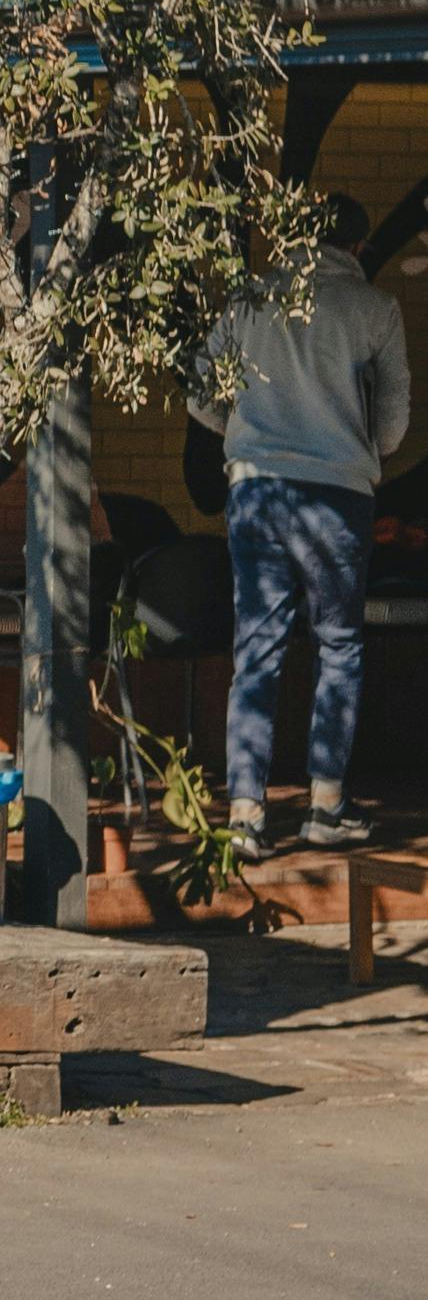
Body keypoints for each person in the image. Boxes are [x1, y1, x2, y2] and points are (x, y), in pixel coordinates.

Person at [194, 195, 409, 863]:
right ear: (361, 242)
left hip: (256, 488)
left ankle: (246, 814)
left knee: (256, 650)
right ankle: (324, 804)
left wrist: (253, 431)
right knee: (339, 647)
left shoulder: (249, 300)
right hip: (338, 496)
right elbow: (395, 427)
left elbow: (200, 396)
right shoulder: (374, 308)